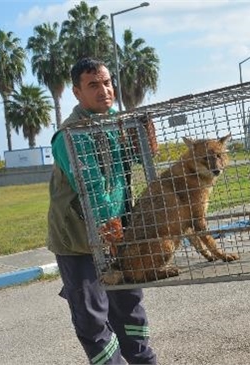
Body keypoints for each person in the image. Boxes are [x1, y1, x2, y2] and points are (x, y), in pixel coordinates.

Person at [46, 57, 158, 364]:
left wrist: (146, 138)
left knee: (129, 305)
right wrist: (112, 228)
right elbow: (92, 187)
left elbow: (139, 159)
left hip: (117, 233)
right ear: (77, 92)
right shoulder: (69, 135)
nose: (104, 90)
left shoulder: (114, 124)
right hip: (79, 241)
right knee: (92, 318)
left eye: (107, 83)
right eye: (93, 85)